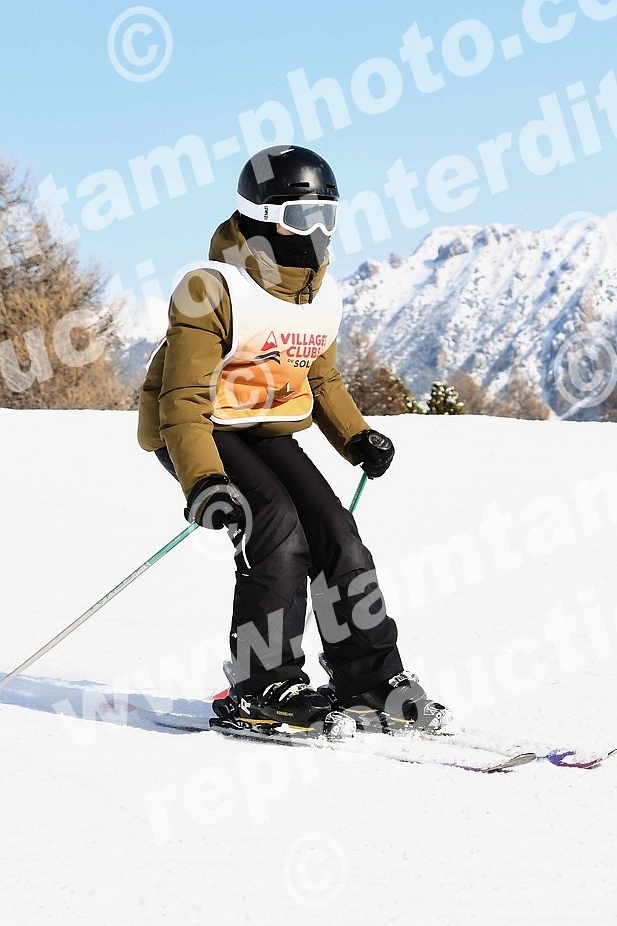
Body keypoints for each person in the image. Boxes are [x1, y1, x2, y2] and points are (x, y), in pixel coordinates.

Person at [137, 145, 447, 736]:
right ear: (260, 218)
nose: (316, 233)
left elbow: (319, 378)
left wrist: (356, 438)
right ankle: (262, 685)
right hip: (199, 430)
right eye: (301, 218)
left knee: (337, 534)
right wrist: (204, 481)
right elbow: (182, 400)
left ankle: (367, 678)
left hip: (266, 427)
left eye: (328, 216)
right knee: (276, 530)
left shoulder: (317, 296)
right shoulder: (210, 290)